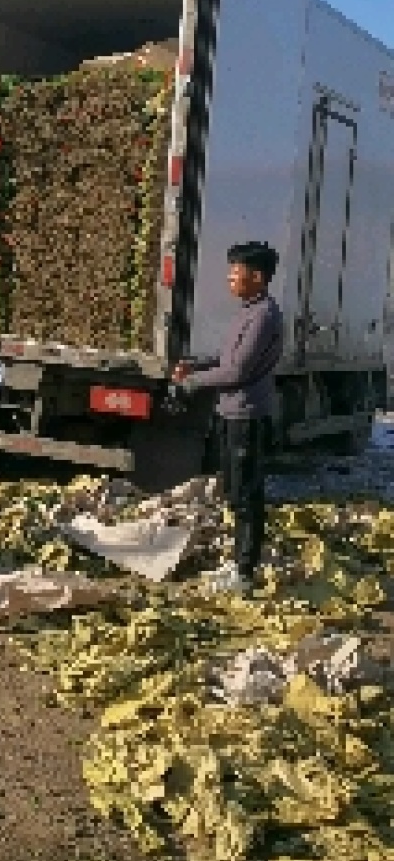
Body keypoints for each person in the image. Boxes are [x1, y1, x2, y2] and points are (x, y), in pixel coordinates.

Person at [172, 241, 284, 596]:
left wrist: (191, 384)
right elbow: (225, 358)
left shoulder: (264, 315)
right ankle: (238, 563)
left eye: (236, 272)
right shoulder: (248, 311)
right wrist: (196, 365)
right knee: (235, 491)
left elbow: (237, 370)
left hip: (246, 416)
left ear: (258, 277)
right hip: (230, 412)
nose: (229, 278)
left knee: (247, 493)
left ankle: (245, 574)